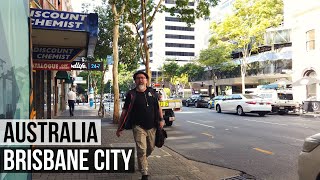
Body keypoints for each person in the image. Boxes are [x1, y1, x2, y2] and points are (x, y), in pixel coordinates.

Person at [116, 71, 165, 180]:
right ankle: (144, 172)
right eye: (138, 78)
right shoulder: (131, 94)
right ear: (135, 81)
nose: (141, 80)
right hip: (138, 127)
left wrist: (161, 119)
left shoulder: (152, 93)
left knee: (151, 148)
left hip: (152, 126)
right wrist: (119, 127)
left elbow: (158, 107)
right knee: (142, 149)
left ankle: (141, 159)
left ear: (147, 80)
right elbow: (124, 112)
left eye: (143, 78)